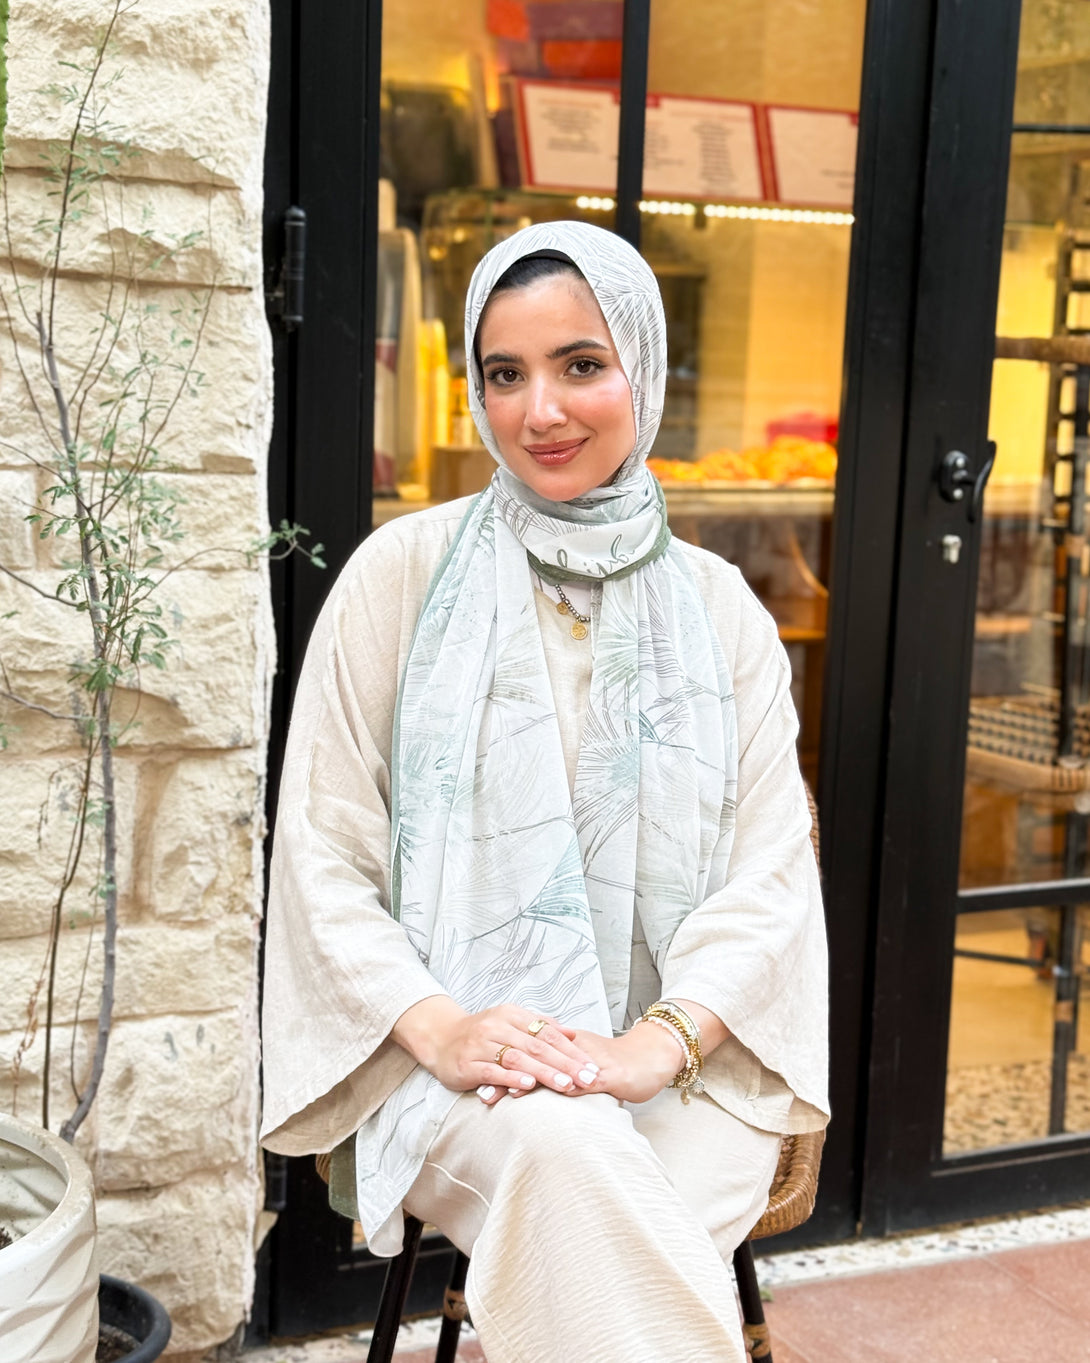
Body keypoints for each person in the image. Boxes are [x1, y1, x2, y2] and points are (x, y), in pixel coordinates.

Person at [260, 220, 829, 1362]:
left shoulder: (720, 610)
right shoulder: (400, 577)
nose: (541, 411)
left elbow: (770, 875)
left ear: (643, 369)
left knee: (610, 1223)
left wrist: (653, 1046)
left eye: (581, 364)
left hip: (685, 1059)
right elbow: (322, 855)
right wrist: (444, 1027)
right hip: (448, 1056)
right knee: (570, 1161)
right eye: (505, 374)